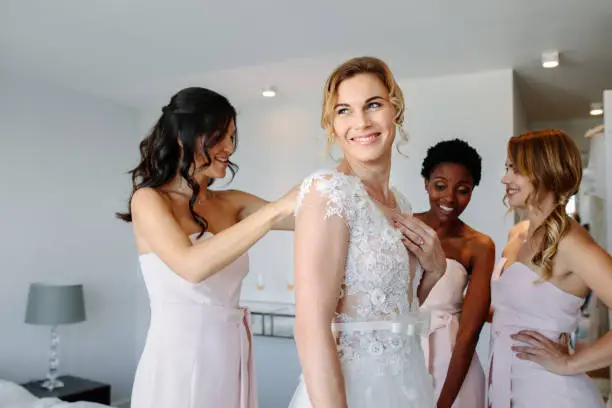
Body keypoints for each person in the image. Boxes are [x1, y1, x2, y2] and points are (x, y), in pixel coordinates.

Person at [115, 87, 296, 408]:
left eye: (232, 137)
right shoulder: (149, 200)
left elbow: (307, 219)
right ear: (185, 138)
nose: (229, 147)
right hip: (177, 360)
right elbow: (191, 266)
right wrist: (271, 213)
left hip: (230, 355)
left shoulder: (233, 202)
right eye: (219, 137)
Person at [288, 56, 445, 408]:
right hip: (354, 391)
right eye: (344, 110)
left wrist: (435, 270)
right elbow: (311, 328)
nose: (361, 122)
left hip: (408, 381)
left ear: (396, 111)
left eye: (373, 105)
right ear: (331, 125)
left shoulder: (401, 203)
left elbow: (397, 308)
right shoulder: (328, 192)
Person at [488, 129, 609, 407]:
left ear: (545, 172)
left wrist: (570, 363)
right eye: (508, 168)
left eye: (516, 170)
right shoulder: (517, 234)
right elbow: (512, 312)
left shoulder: (571, 243)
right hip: (506, 387)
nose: (505, 179)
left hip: (553, 394)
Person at [414, 139, 494, 408]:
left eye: (462, 190)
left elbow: (470, 332)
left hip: (453, 366)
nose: (449, 197)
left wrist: (444, 402)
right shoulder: (401, 227)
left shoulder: (479, 246)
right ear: (426, 183)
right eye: (440, 186)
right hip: (399, 356)